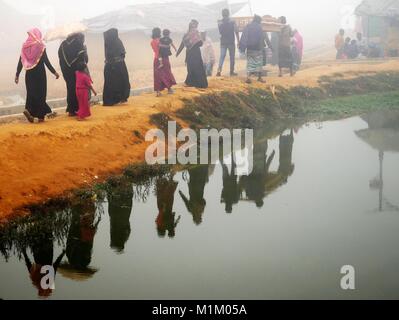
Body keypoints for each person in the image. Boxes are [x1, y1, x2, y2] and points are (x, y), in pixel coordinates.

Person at [15, 28, 60, 123]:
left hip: (29, 74)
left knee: (31, 94)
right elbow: (46, 61)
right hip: (40, 75)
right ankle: (40, 117)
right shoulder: (40, 46)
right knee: (41, 94)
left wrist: (17, 74)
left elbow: (21, 61)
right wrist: (54, 72)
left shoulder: (25, 46)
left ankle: (29, 110)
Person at [58, 33, 88, 117]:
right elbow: (83, 59)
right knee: (77, 89)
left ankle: (71, 109)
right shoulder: (78, 43)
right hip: (77, 71)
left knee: (70, 88)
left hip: (66, 72)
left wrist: (65, 69)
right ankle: (78, 108)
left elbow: (60, 58)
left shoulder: (63, 45)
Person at [240, 15, 272, 83]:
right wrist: (267, 47)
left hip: (250, 48)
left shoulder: (248, 26)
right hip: (258, 48)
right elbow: (261, 38)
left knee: (250, 63)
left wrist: (242, 48)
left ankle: (248, 78)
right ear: (258, 21)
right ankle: (259, 78)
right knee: (259, 63)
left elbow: (244, 37)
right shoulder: (259, 27)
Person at [176, 20, 208, 89]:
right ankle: (201, 84)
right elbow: (201, 44)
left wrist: (178, 53)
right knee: (198, 67)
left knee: (191, 68)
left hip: (190, 53)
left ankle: (190, 83)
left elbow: (182, 44)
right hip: (196, 53)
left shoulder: (186, 35)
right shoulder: (196, 33)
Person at [103, 28, 131, 106]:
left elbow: (109, 55)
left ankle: (115, 99)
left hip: (110, 66)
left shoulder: (107, 42)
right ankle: (120, 98)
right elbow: (122, 54)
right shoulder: (117, 42)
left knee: (113, 83)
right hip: (119, 66)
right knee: (121, 81)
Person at [151, 27, 177, 97]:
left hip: (156, 59)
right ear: (159, 33)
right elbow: (166, 47)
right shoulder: (160, 40)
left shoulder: (152, 41)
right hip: (164, 58)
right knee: (167, 73)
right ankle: (169, 89)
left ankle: (158, 92)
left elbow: (156, 51)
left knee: (158, 76)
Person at [216, 8, 240, 77]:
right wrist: (238, 41)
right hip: (231, 42)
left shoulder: (219, 22)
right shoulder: (232, 22)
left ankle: (219, 71)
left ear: (222, 14)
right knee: (232, 57)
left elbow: (220, 32)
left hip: (223, 42)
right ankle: (231, 72)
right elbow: (236, 31)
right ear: (228, 14)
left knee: (222, 57)